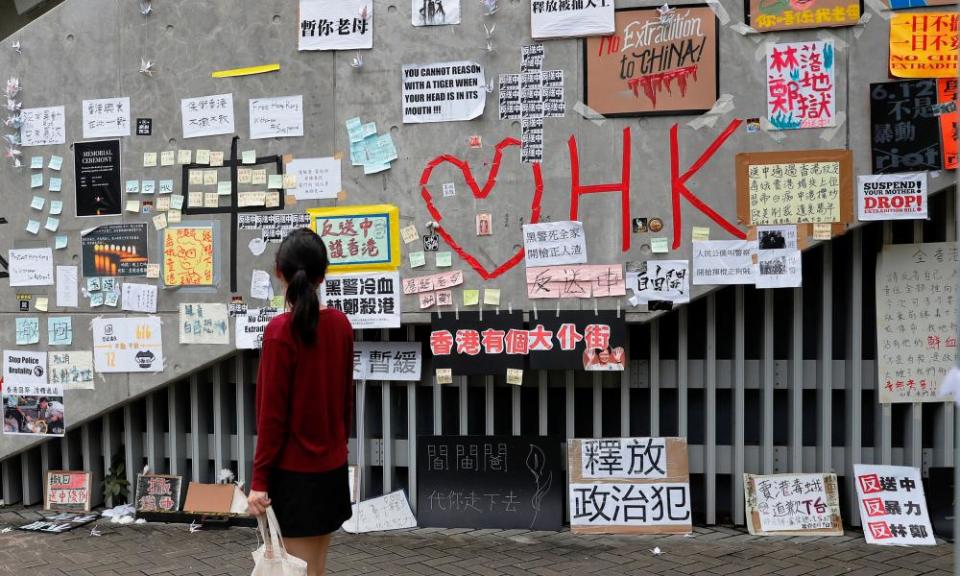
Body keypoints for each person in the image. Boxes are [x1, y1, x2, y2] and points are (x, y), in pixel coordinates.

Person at [246, 228, 354, 576]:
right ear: (324, 274)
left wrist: (259, 481)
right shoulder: (341, 325)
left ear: (279, 272)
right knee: (314, 569)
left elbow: (272, 416)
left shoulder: (280, 331)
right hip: (331, 471)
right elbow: (345, 401)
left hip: (294, 478)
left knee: (296, 571)